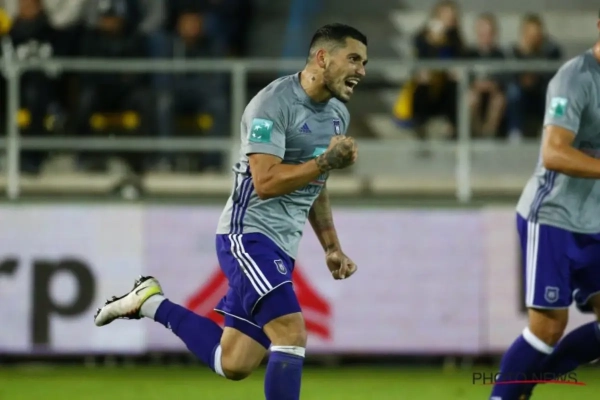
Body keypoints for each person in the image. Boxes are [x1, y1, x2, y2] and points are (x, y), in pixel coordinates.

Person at [93, 23, 367, 400]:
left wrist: (331, 246)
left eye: (364, 63)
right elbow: (265, 182)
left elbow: (315, 184)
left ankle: (149, 302)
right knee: (291, 333)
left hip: (282, 247)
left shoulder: (337, 114)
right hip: (247, 235)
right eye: (353, 59)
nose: (361, 71)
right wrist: (325, 162)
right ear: (323, 58)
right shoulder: (272, 105)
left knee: (234, 362)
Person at [490, 13, 600, 400]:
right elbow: (554, 153)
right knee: (548, 328)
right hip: (553, 217)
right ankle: (507, 392)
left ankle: (520, 384)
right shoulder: (575, 79)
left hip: (595, 222)